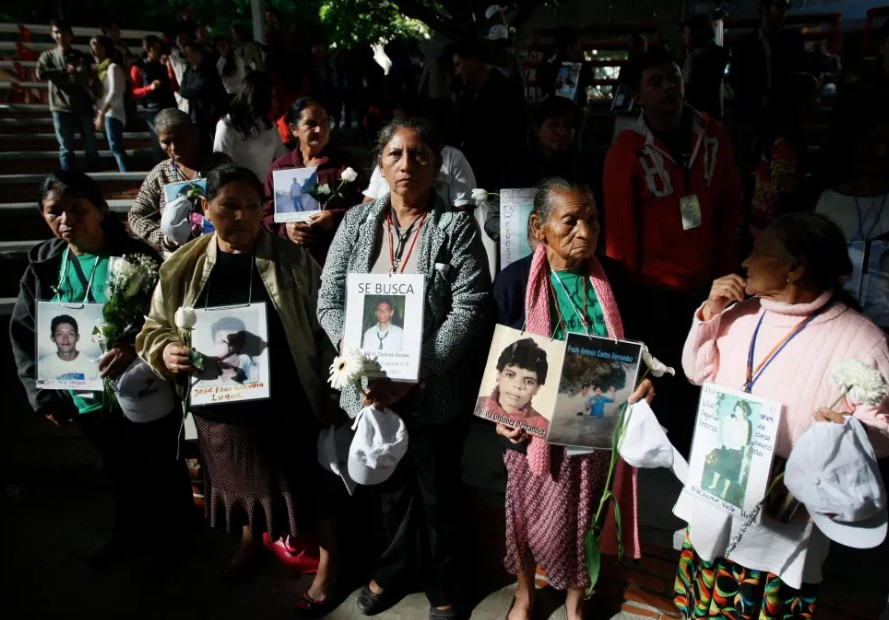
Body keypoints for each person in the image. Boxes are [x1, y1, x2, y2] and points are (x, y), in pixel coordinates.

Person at [136, 165, 341, 615]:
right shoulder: (182, 265)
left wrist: (334, 387)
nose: (243, 217)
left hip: (288, 397)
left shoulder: (289, 259)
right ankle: (252, 543)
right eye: (229, 205)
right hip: (221, 404)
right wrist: (167, 351)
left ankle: (329, 567)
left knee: (311, 485)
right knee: (240, 481)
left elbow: (326, 324)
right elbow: (154, 328)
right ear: (206, 208)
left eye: (253, 206)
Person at [672, 212, 889, 619]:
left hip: (783, 503)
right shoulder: (740, 313)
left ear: (794, 268)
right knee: (703, 592)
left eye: (757, 253)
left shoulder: (864, 341)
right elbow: (696, 371)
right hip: (722, 480)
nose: (745, 263)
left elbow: (884, 429)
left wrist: (846, 435)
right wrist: (709, 314)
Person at [317, 118, 490, 619]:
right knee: (389, 488)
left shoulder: (453, 225)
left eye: (419, 155)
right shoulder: (355, 223)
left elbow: (470, 305)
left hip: (431, 386)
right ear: (380, 164)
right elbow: (329, 299)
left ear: (437, 165)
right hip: (370, 385)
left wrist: (421, 367)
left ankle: (446, 583)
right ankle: (393, 572)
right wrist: (356, 360)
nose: (406, 165)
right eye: (395, 155)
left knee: (438, 491)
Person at [10, 170, 192, 570]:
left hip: (140, 387)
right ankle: (129, 536)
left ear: (100, 209)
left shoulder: (134, 259)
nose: (66, 221)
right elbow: (23, 331)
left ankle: (179, 539)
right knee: (119, 469)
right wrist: (42, 396)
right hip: (82, 392)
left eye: (77, 210)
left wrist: (131, 345)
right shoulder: (43, 267)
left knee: (162, 462)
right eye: (55, 212)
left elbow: (164, 317)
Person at [490, 178, 653, 620]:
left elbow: (638, 350)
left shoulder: (615, 279)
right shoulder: (514, 282)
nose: (586, 231)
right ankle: (524, 594)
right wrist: (498, 413)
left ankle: (575, 600)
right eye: (572, 221)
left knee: (586, 521)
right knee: (523, 518)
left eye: (593, 220)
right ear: (540, 228)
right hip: (530, 427)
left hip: (593, 427)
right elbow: (493, 360)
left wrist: (641, 379)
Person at [603, 48, 742, 455]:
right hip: (654, 292)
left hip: (711, 285)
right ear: (639, 96)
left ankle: (713, 455)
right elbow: (619, 237)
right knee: (669, 381)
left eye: (674, 77)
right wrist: (627, 302)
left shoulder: (713, 135)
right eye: (656, 81)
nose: (669, 88)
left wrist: (729, 273)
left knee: (713, 375)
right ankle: (677, 456)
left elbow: (731, 206)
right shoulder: (626, 151)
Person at [263, 98, 365, 265]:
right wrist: (285, 230)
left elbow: (366, 209)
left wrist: (334, 217)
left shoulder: (345, 166)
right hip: (291, 262)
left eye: (325, 122)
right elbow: (265, 215)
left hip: (335, 260)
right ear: (294, 129)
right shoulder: (280, 167)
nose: (320, 129)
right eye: (311, 124)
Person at [485, 96, 591, 244]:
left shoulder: (585, 169)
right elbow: (493, 222)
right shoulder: (517, 170)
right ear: (537, 128)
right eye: (554, 125)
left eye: (568, 126)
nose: (562, 131)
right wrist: (527, 238)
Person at [129, 108, 231, 254]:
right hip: (178, 256)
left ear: (194, 135)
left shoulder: (220, 165)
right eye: (166, 142)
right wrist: (165, 238)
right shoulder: (160, 173)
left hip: (219, 250)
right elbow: (136, 215)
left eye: (180, 139)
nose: (174, 148)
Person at [728, 0, 805, 166]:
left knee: (785, 169)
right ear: (764, 8)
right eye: (779, 6)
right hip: (752, 117)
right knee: (751, 166)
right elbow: (737, 80)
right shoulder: (744, 45)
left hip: (784, 116)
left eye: (786, 6)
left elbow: (798, 77)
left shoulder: (793, 41)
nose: (784, 11)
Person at [748, 72, 819, 235]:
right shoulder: (785, 145)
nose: (818, 102)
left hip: (761, 222)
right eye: (814, 96)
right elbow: (782, 191)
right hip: (773, 227)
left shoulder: (774, 137)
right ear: (799, 102)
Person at [452, 38, 526, 190]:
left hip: (500, 180)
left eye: (458, 64)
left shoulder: (506, 92)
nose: (457, 71)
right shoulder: (468, 93)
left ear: (472, 61)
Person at [36, 20, 100, 172]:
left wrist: (60, 75)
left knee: (90, 145)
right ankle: (68, 180)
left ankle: (94, 177)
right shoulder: (48, 56)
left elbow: (81, 77)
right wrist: (65, 70)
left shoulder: (80, 56)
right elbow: (41, 73)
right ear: (52, 34)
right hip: (59, 107)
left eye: (64, 32)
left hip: (82, 106)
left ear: (70, 35)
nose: (60, 36)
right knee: (66, 147)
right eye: (57, 32)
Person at [214, 71, 285, 183]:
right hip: (242, 191)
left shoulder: (269, 125)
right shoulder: (228, 125)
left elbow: (282, 157)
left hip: (266, 191)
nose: (274, 102)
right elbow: (220, 166)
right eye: (270, 97)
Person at [477, 337, 550, 435]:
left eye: (529, 381)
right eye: (510, 375)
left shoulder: (543, 426)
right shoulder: (479, 405)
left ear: (538, 388)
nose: (517, 385)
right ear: (498, 374)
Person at [130, 35, 178, 163]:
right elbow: (134, 92)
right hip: (153, 108)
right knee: (160, 140)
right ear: (148, 49)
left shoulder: (163, 65)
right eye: (155, 48)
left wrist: (169, 68)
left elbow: (175, 86)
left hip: (169, 105)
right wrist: (149, 88)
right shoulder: (138, 67)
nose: (158, 51)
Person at [179, 42, 228, 152]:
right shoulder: (189, 71)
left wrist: (190, 90)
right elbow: (183, 90)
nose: (188, 56)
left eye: (190, 53)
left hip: (212, 112)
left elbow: (201, 86)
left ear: (198, 53)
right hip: (196, 113)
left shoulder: (208, 69)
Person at [89, 35, 128, 172]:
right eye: (93, 49)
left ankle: (126, 176)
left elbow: (114, 93)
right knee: (113, 147)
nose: (94, 52)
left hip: (113, 113)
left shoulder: (113, 67)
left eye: (98, 49)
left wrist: (101, 114)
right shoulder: (100, 70)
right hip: (105, 113)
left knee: (116, 147)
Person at [703, 400, 753, 504]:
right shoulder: (732, 419)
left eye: (740, 410)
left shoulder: (746, 424)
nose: (737, 412)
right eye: (737, 409)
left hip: (735, 451)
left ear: (745, 412)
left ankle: (724, 492)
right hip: (726, 447)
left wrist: (734, 441)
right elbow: (725, 430)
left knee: (729, 473)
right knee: (718, 466)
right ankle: (713, 484)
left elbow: (744, 441)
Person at [680, 14, 729, 121]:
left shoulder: (718, 55)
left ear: (696, 33)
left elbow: (705, 88)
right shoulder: (689, 55)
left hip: (708, 115)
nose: (683, 37)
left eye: (686, 32)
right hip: (689, 114)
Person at [538, 27, 592, 107]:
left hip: (553, 103)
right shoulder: (575, 60)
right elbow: (589, 78)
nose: (579, 47)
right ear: (570, 45)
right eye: (577, 44)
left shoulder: (549, 57)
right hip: (572, 104)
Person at [38, 314, 98, 381]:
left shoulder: (94, 366)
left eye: (70, 333)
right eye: (59, 334)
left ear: (77, 337)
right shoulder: (42, 367)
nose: (65, 339)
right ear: (53, 338)